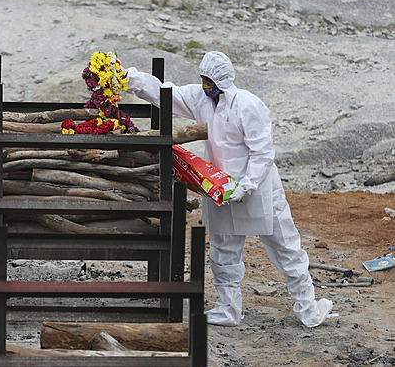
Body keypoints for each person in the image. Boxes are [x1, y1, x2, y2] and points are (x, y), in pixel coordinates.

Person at [125, 51, 335, 327]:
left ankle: (308, 308)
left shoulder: (248, 105)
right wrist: (134, 80)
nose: (205, 85)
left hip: (259, 191)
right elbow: (169, 94)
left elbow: (262, 152)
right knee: (223, 251)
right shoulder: (201, 100)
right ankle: (228, 309)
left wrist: (246, 185)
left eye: (209, 80)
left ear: (222, 80)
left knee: (286, 248)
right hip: (221, 189)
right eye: (202, 79)